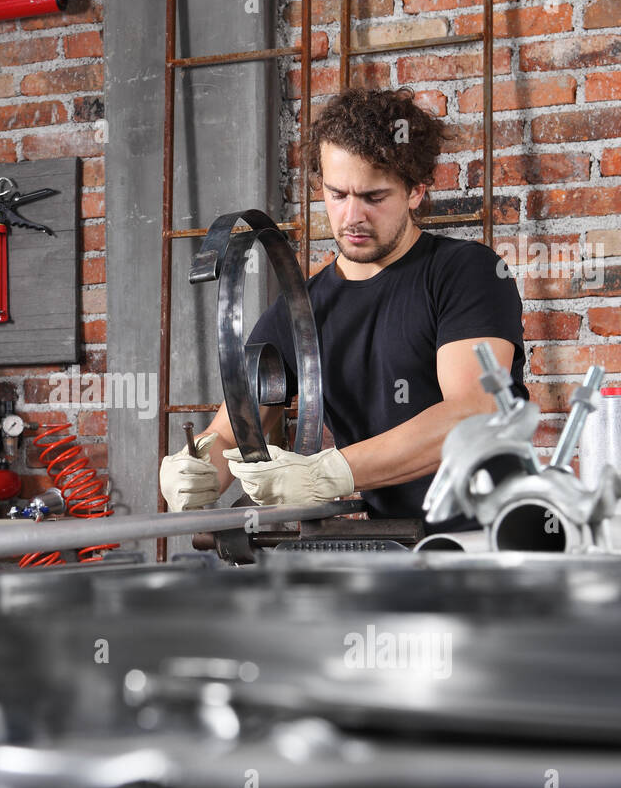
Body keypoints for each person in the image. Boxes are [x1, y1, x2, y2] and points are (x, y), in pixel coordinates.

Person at [159, 86, 527, 534]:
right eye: (337, 194)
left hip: (496, 538)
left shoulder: (468, 272)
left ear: (415, 192)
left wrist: (325, 474)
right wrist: (196, 469)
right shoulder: (299, 311)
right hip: (390, 545)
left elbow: (475, 410)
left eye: (373, 197)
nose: (352, 216)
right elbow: (234, 434)